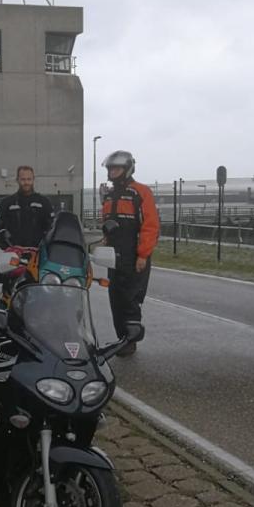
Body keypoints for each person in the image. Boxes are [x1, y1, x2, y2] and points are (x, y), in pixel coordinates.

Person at [100, 150, 159, 356]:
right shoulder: (109, 194)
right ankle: (122, 339)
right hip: (114, 255)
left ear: (127, 169)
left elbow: (150, 225)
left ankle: (131, 340)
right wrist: (105, 238)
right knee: (115, 297)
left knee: (130, 298)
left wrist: (143, 254)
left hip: (133, 254)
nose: (112, 172)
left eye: (116, 168)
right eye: (110, 168)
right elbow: (107, 222)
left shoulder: (141, 192)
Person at [0, 165, 54, 251]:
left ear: (33, 179)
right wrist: (6, 247)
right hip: (13, 253)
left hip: (38, 252)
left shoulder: (44, 202)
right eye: (23, 179)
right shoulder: (6, 203)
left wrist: (45, 248)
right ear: (17, 180)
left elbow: (52, 227)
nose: (26, 182)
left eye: (29, 179)